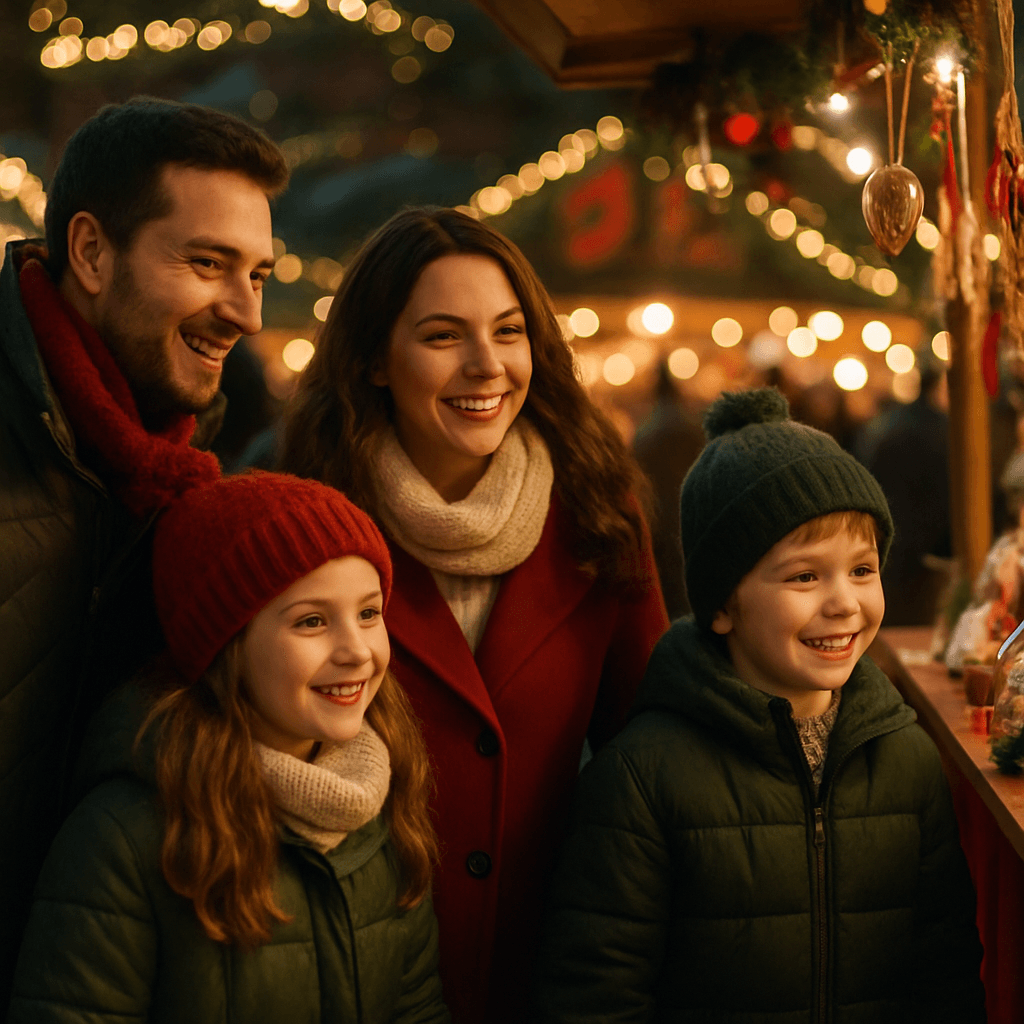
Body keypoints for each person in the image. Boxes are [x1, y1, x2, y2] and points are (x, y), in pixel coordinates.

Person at [279, 207, 669, 1024]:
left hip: (556, 970)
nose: (487, 366)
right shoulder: (307, 522)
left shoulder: (600, 515)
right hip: (354, 971)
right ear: (376, 360)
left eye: (509, 331)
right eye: (443, 336)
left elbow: (653, 748)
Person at [536, 388, 986, 1023]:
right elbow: (594, 994)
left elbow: (945, 972)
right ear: (723, 604)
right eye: (805, 576)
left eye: (861, 569)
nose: (843, 603)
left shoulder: (907, 756)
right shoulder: (642, 777)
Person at [0, 96, 288, 1008]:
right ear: (90, 252)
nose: (243, 310)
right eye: (208, 263)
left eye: (258, 274)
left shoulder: (180, 483)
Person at [9, 472, 449, 1023]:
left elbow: (418, 1010)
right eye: (312, 621)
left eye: (368, 613)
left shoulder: (383, 806)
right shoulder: (128, 838)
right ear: (225, 645)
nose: (357, 651)